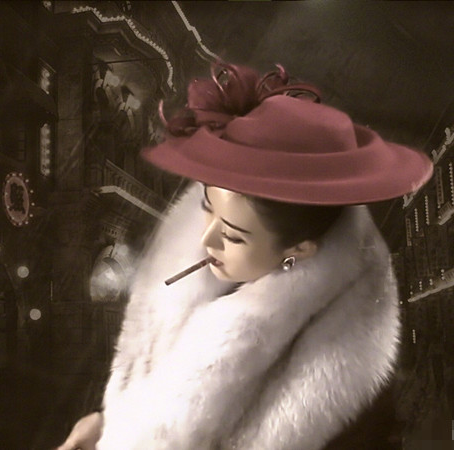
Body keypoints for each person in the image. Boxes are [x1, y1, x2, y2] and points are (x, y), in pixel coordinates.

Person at [57, 62, 432, 450]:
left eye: (233, 235)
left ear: (298, 250)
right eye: (207, 207)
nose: (207, 239)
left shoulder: (343, 388)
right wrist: (109, 425)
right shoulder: (185, 279)